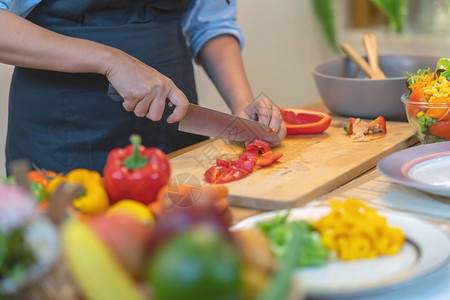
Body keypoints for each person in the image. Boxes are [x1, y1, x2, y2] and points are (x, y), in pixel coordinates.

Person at [0, 0, 287, 174]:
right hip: (61, 138)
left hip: (172, 131)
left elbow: (210, 23)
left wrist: (241, 104)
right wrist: (110, 59)